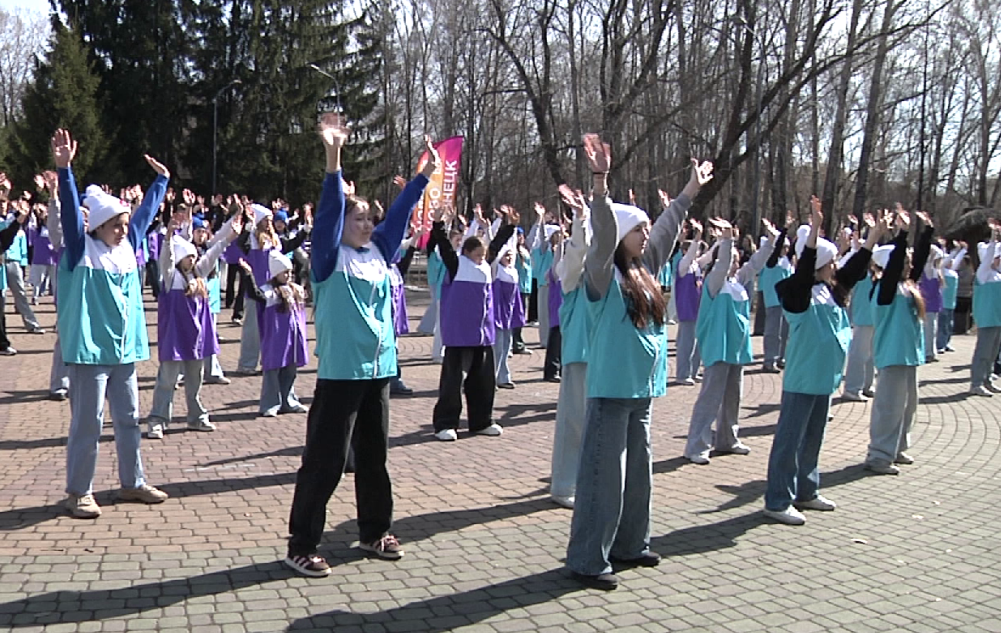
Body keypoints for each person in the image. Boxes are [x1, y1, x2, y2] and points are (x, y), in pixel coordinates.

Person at [284, 115, 434, 577]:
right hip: (341, 373)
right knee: (325, 462)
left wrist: (423, 179)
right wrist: (334, 158)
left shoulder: (380, 253)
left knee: (374, 457)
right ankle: (302, 543)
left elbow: (403, 212)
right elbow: (329, 212)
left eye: (372, 218)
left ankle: (374, 531)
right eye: (360, 217)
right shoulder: (329, 259)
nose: (368, 224)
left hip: (378, 371)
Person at [566, 133, 712, 591]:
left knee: (639, 475)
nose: (646, 233)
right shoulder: (602, 274)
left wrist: (689, 192)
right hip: (611, 391)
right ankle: (589, 558)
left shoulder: (644, 269)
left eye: (646, 228)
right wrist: (600, 183)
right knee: (603, 479)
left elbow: (667, 231)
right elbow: (605, 231)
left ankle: (631, 543)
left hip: (642, 393)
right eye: (638, 228)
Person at [52, 128, 171, 519]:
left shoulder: (127, 249)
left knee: (128, 419)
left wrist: (162, 181)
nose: (123, 230)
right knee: (88, 423)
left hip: (123, 351)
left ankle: (131, 482)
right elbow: (71, 212)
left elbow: (145, 217)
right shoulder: (79, 251)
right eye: (115, 225)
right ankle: (79, 491)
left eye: (124, 224)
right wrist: (65, 171)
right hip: (89, 352)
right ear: (98, 227)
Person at [763, 198, 886, 525]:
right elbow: (803, 272)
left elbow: (855, 269)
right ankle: (777, 500)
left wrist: (872, 238)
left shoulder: (832, 289)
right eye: (830, 261)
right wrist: (815, 229)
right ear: (819, 262)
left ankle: (806, 491)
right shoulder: (797, 292)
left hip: (825, 379)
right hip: (803, 378)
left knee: (813, 438)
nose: (836, 266)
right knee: (789, 441)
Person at [683, 218, 776, 465]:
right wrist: (727, 240)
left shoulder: (739, 282)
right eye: (733, 259)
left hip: (737, 347)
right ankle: (697, 446)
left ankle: (728, 439)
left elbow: (756, 264)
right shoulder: (715, 282)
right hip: (718, 346)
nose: (736, 263)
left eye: (737, 259)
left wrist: (771, 241)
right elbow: (722, 263)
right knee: (710, 398)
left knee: (733, 396)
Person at [145, 214, 241, 439]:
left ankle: (196, 417)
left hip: (196, 338)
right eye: (188, 256)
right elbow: (166, 260)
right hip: (175, 335)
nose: (193, 260)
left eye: (193, 256)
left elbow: (213, 252)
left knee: (195, 380)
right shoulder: (170, 278)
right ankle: (158, 419)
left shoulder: (199, 274)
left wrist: (228, 238)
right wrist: (168, 236)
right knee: (167, 380)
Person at [429, 202, 516, 440]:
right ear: (466, 253)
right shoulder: (457, 264)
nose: (481, 259)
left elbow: (496, 245)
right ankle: (445, 423)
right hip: (459, 333)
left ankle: (481, 420)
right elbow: (445, 246)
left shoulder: (486, 266)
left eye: (483, 256)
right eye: (477, 255)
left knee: (483, 381)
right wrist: (438, 224)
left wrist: (510, 225)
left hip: (483, 333)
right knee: (453, 381)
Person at [865, 209, 932, 475]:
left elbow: (919, 261)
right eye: (903, 260)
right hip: (892, 355)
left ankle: (898, 446)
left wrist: (926, 232)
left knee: (908, 405)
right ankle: (879, 455)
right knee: (889, 407)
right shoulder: (883, 288)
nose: (908, 264)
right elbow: (893, 270)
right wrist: (902, 235)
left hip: (908, 355)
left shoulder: (907, 285)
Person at [549, 185, 591, 509]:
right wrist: (581, 218)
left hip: (603, 352)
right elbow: (577, 253)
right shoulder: (569, 273)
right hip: (579, 351)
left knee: (595, 420)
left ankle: (588, 479)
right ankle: (564, 485)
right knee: (573, 420)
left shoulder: (605, 270)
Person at [239, 251, 310, 416]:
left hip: (292, 340)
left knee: (290, 371)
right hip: (276, 339)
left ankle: (289, 400)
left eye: (290, 272)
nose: (289, 275)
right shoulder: (269, 292)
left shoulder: (295, 290)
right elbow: (254, 294)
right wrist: (248, 274)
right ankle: (270, 403)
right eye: (285, 272)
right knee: (272, 372)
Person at [491, 211, 526, 389]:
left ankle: (503, 376)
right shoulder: (496, 269)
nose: (509, 257)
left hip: (509, 312)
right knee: (496, 347)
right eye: (506, 255)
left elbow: (511, 244)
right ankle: (492, 377)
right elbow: (496, 245)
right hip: (498, 311)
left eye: (511, 255)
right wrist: (502, 224)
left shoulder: (513, 271)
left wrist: (513, 225)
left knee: (507, 345)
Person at [968, 226, 1001, 397]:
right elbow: (988, 258)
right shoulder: (983, 273)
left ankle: (987, 379)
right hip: (987, 319)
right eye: (997, 257)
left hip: (997, 319)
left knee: (993, 352)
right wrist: (994, 239)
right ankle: (976, 383)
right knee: (983, 351)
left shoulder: (997, 275)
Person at [759, 227, 792, 373]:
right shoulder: (770, 262)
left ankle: (781, 357)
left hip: (786, 301)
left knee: (785, 332)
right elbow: (776, 248)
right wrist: (783, 231)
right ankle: (769, 360)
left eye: (787, 247)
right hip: (773, 301)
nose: (786, 249)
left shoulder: (786, 261)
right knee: (773, 332)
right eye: (783, 247)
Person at [937, 241, 965, 353]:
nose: (952, 262)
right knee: (942, 325)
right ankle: (940, 345)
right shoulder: (942, 271)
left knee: (949, 325)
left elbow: (956, 260)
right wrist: (954, 250)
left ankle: (947, 343)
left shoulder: (953, 272)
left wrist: (963, 251)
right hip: (943, 303)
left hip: (951, 303)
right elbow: (945, 260)